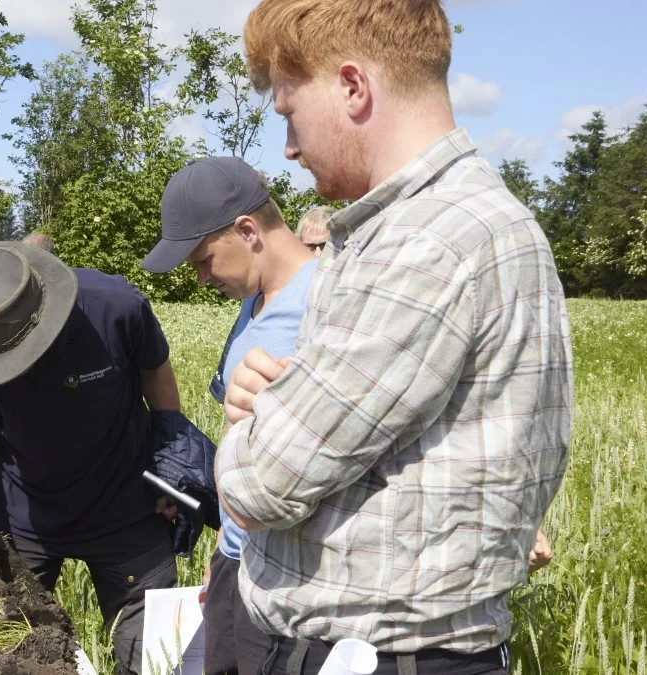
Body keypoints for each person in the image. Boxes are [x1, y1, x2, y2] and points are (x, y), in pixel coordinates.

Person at [218, 1, 573, 673]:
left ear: (354, 87)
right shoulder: (442, 225)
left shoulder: (425, 242)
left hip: (381, 657)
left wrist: (244, 425)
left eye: (290, 113)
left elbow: (258, 486)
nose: (289, 148)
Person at [0, 242, 182, 674]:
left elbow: (156, 377)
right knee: (6, 651)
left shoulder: (114, 306)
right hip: (23, 517)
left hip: (127, 511)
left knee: (153, 660)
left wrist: (171, 464)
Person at [142, 156, 317, 675]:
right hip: (237, 556)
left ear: (247, 230)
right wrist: (222, 541)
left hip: (287, 575)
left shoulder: (328, 305)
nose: (199, 279)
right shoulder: (255, 299)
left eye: (202, 260)